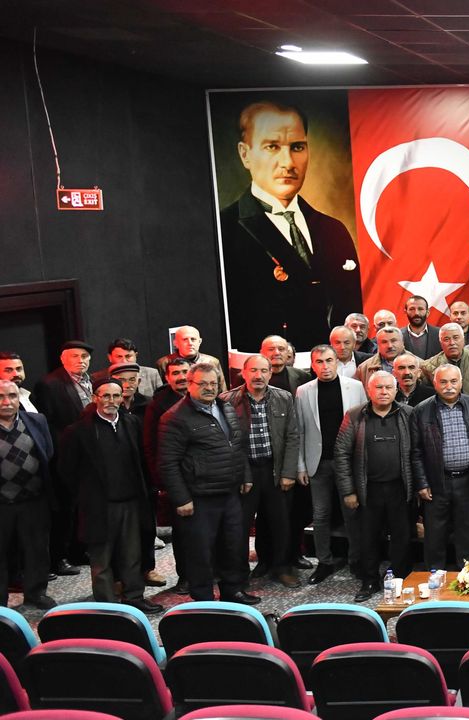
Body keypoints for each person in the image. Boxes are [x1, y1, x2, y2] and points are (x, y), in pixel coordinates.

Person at [219, 100, 362, 350]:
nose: (288, 162)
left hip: (331, 359)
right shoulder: (225, 230)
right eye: (272, 146)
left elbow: (349, 306)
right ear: (245, 154)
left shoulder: (334, 230)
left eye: (297, 147)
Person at [157, 362, 258, 604]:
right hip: (199, 497)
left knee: (232, 546)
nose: (209, 388)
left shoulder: (226, 407)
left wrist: (245, 475)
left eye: (213, 383)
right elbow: (168, 463)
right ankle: (203, 599)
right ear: (189, 385)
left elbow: (238, 445)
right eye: (203, 384)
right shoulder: (174, 417)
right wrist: (181, 499)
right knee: (200, 553)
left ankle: (232, 591)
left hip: (230, 493)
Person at [336, 371, 419, 601]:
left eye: (388, 388)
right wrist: (348, 491)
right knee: (368, 537)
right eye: (378, 388)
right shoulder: (355, 415)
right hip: (367, 490)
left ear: (396, 390)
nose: (383, 392)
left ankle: (399, 577)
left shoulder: (408, 413)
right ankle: (369, 580)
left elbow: (417, 452)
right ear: (369, 390)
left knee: (402, 537)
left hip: (400, 488)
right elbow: (341, 454)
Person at [222, 354, 301, 588]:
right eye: (253, 371)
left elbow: (292, 436)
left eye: (264, 371)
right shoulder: (226, 400)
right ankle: (240, 573)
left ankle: (282, 567)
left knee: (280, 523)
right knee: (239, 526)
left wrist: (288, 472)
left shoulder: (284, 397)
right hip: (244, 472)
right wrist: (241, 474)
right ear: (244, 373)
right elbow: (227, 442)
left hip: (274, 469)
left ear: (270, 373)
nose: (258, 375)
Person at [295, 345, 367, 584]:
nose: (325, 366)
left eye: (328, 360)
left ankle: (357, 560)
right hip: (318, 462)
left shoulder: (355, 387)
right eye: (319, 362)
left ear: (337, 362)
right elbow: (300, 430)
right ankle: (324, 562)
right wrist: (301, 466)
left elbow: (364, 426)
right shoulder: (303, 391)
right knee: (321, 515)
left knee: (352, 514)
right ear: (312, 365)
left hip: (349, 462)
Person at [412, 364, 469, 571]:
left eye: (453, 381)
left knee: (466, 531)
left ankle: (466, 575)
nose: (449, 386)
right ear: (434, 384)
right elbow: (416, 451)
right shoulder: (421, 410)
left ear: (461, 383)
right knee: (435, 533)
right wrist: (422, 483)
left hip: (467, 480)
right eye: (443, 382)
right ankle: (435, 575)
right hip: (436, 482)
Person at [35, 339, 94, 577]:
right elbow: (48, 423)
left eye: (85, 356)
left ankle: (79, 551)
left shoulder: (91, 380)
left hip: (89, 453)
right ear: (63, 359)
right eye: (75, 356)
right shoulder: (49, 384)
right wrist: (62, 452)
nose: (81, 361)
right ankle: (59, 557)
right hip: (64, 454)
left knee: (83, 506)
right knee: (64, 508)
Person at [0, 379, 56, 610]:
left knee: (37, 551)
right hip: (2, 504)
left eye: (12, 396)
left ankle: (36, 594)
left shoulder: (36, 420)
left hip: (34, 500)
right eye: (1, 397)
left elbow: (48, 452)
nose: (7, 402)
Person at [142, 356, 191, 590]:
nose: (181, 377)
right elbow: (151, 446)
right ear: (167, 378)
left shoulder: (206, 396)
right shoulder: (158, 405)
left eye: (185, 372)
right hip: (176, 478)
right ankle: (186, 577)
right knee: (183, 533)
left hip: (206, 476)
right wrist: (161, 481)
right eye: (176, 373)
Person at [422, 323, 469, 398]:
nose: (452, 343)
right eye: (446, 339)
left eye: (456, 338)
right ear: (440, 343)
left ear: (463, 340)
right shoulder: (428, 367)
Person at [158, 326, 227, 393]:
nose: (190, 343)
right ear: (175, 343)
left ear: (199, 341)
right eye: (185, 339)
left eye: (193, 339)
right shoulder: (164, 363)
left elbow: (222, 392)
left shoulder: (212, 362)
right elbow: (161, 392)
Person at [95, 339, 163, 398]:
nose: (124, 361)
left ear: (136, 355)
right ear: (110, 357)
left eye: (128, 356)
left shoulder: (152, 374)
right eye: (119, 357)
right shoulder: (99, 378)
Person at [401, 295, 441, 361]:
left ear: (428, 312)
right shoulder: (398, 335)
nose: (416, 313)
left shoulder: (440, 334)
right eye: (412, 309)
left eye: (420, 309)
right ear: (405, 312)